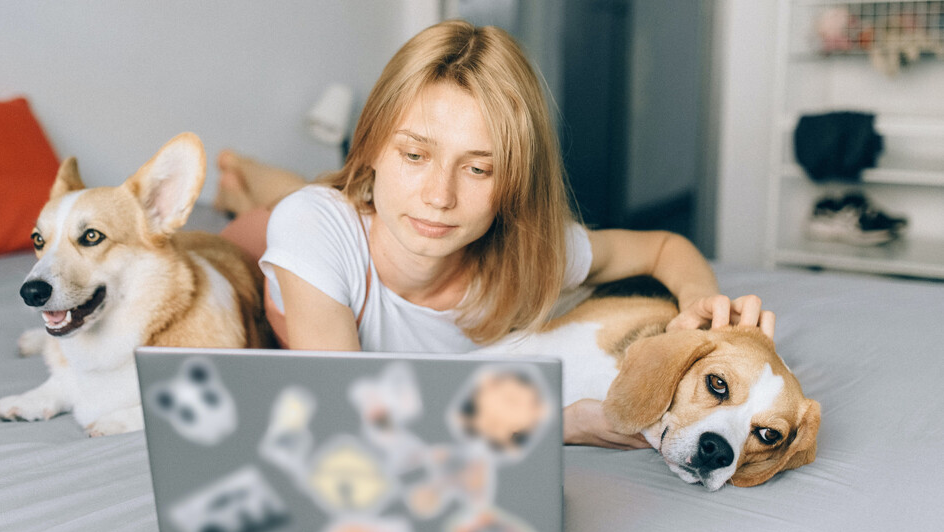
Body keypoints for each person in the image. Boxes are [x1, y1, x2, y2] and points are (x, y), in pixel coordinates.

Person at [216, 20, 774, 450]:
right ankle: (244, 181)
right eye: (414, 155)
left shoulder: (530, 256)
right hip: (279, 253)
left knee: (338, 197)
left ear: (514, 184)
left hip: (360, 215)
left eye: (479, 168)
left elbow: (663, 248)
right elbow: (349, 418)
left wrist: (701, 304)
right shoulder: (312, 226)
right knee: (289, 202)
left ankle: (256, 179)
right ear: (371, 147)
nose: (440, 196)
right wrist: (562, 423)